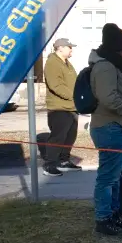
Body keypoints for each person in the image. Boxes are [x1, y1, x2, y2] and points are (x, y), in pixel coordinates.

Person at [88, 23, 122, 236]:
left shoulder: (112, 65)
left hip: (115, 127)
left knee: (116, 175)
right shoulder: (105, 67)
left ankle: (113, 214)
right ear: (119, 46)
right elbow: (108, 98)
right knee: (108, 177)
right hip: (109, 127)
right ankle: (103, 219)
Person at [43, 38, 81, 176]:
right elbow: (56, 85)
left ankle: (63, 161)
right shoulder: (52, 63)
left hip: (71, 107)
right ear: (60, 48)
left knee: (70, 136)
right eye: (69, 47)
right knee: (58, 137)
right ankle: (50, 164)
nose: (71, 49)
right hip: (59, 108)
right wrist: (74, 96)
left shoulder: (66, 63)